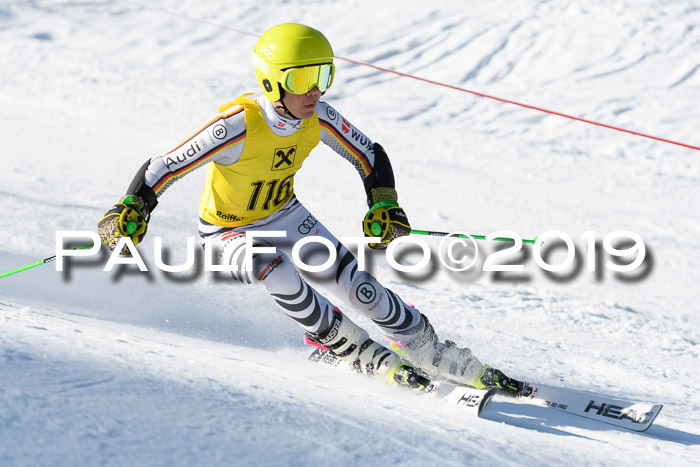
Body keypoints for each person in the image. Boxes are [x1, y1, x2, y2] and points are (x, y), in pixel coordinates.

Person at [98, 23, 522, 394]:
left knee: (358, 287)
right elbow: (165, 166)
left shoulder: (318, 116)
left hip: (285, 214)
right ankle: (338, 342)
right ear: (272, 82)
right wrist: (132, 207)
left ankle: (426, 346)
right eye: (302, 78)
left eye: (323, 75)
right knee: (274, 268)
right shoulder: (238, 125)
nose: (315, 89)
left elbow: (369, 155)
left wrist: (384, 202)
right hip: (227, 230)